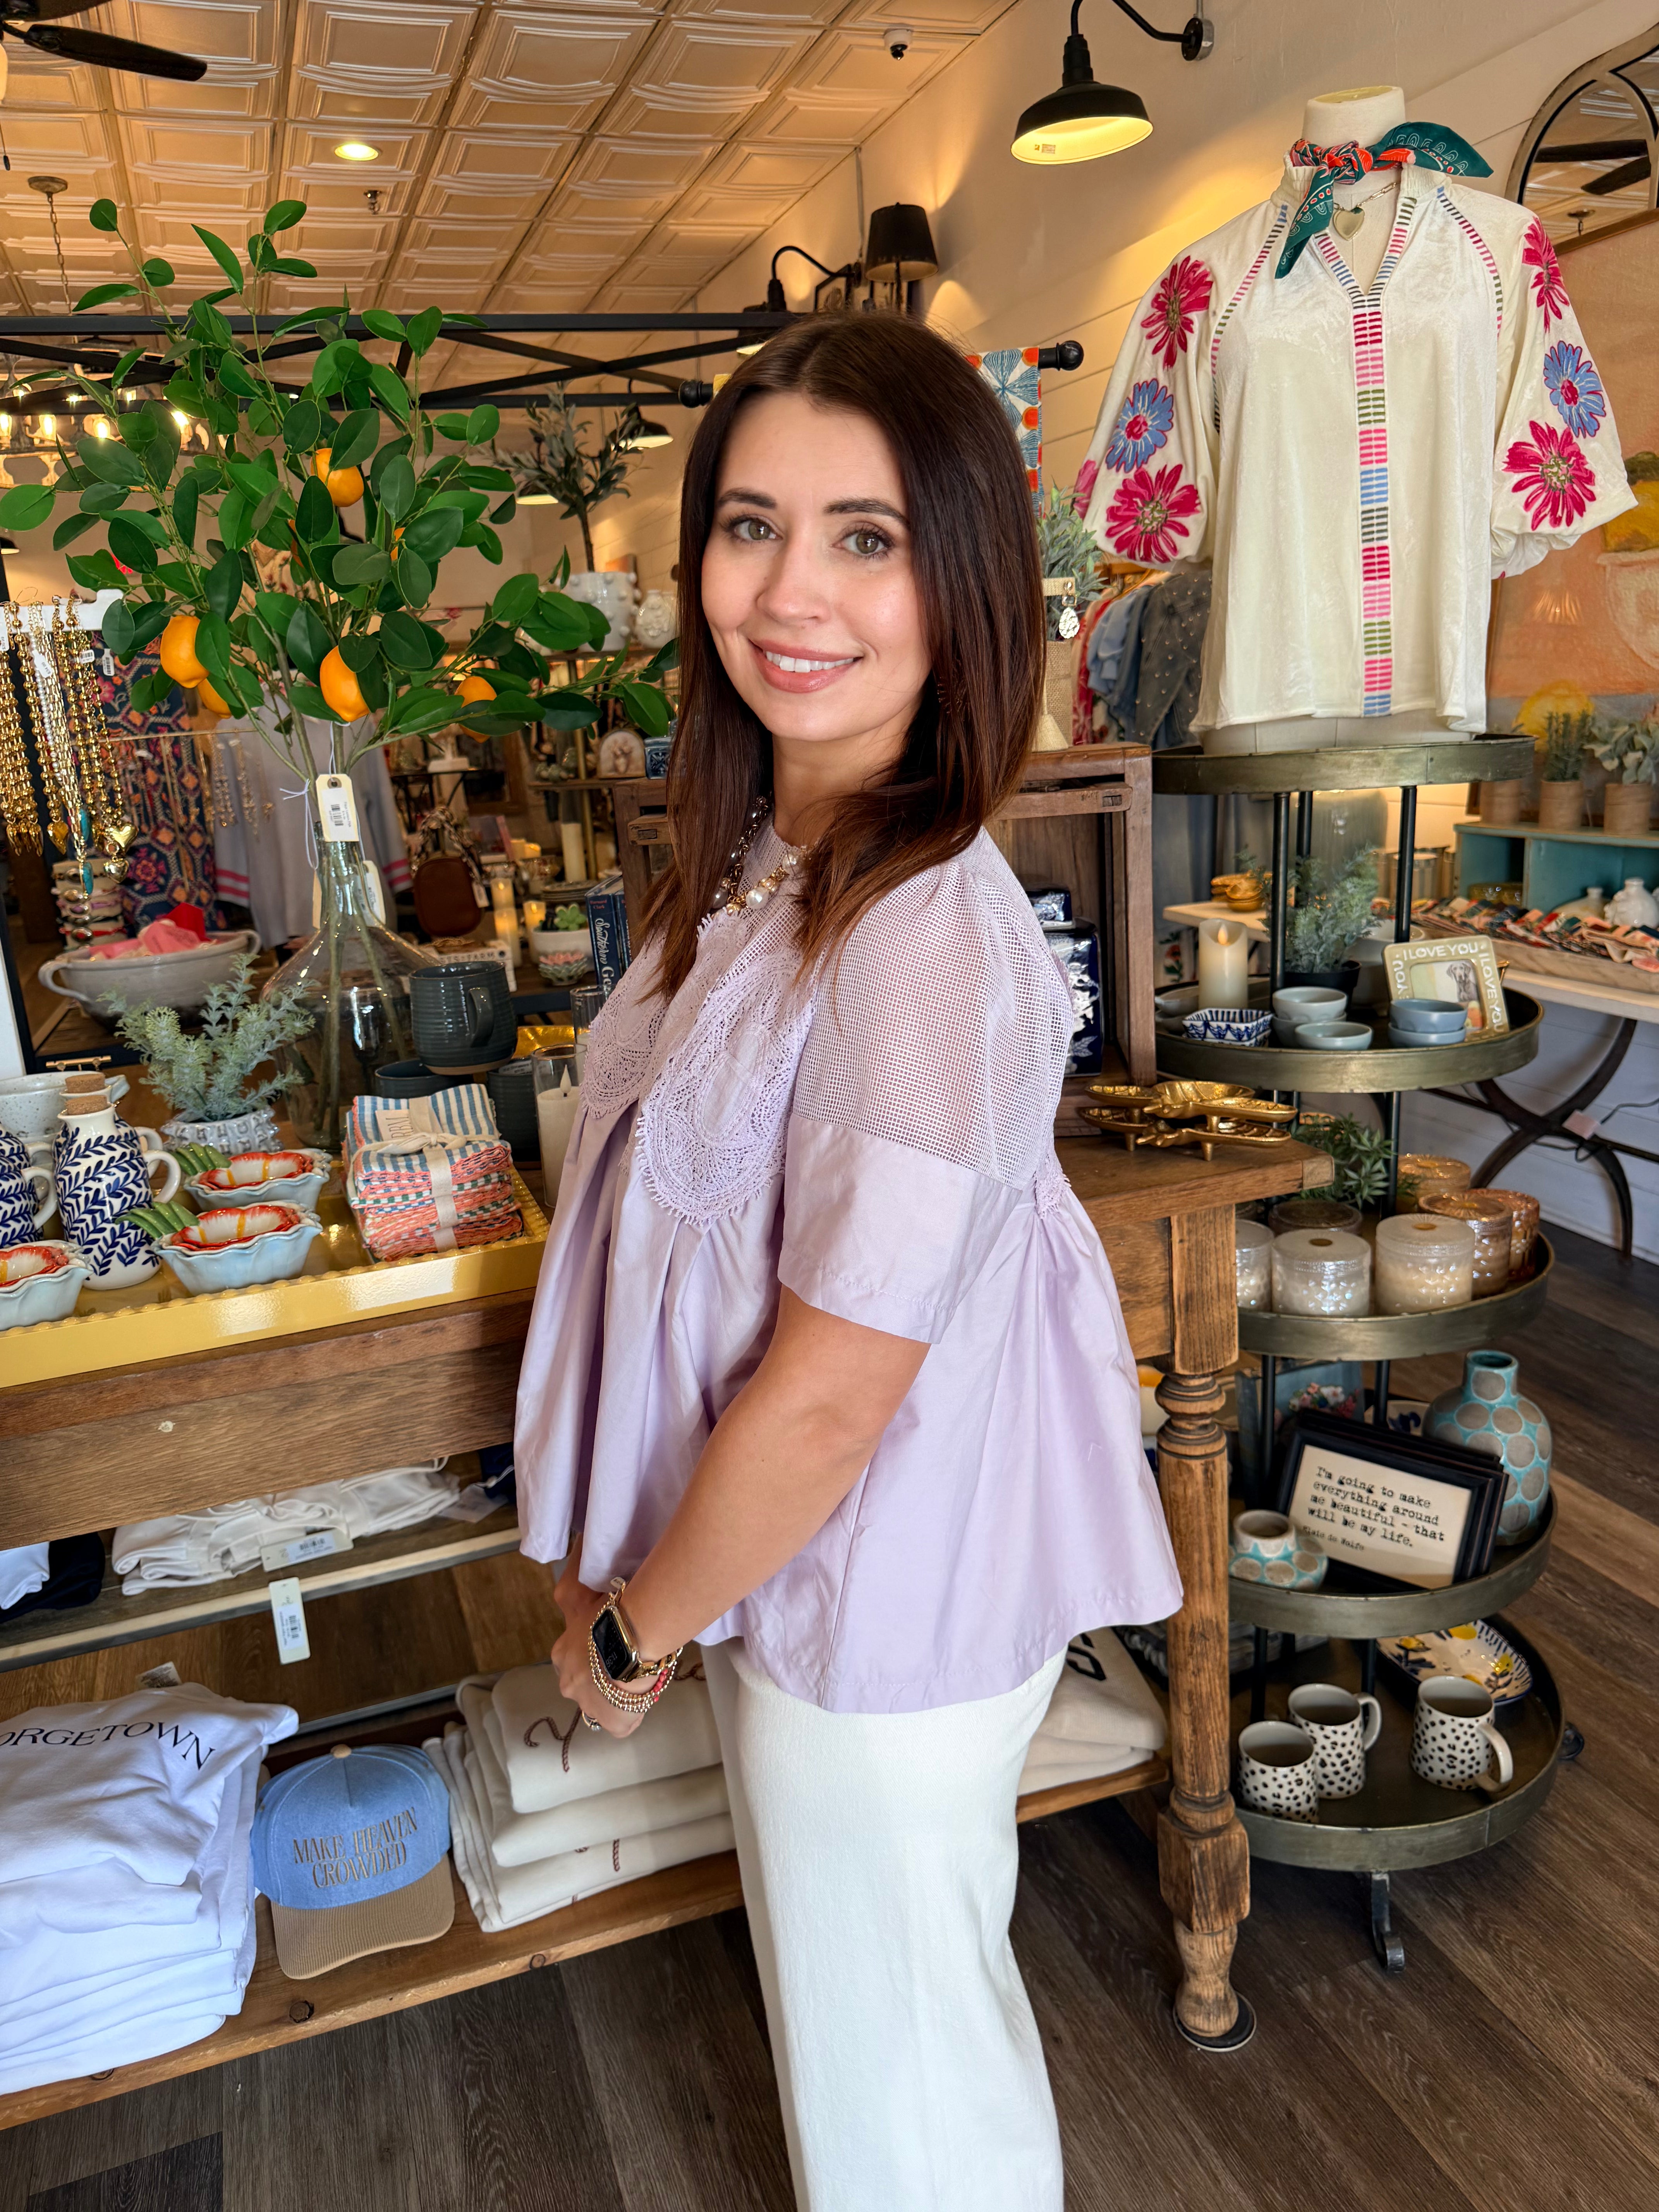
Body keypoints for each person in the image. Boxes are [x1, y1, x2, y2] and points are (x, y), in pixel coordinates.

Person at [514, 312, 1182, 2210]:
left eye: (865, 538)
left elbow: (829, 1399)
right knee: (875, 2062)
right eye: (751, 525)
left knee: (906, 2109)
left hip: (873, 1594)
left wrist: (635, 1630)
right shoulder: (762, 868)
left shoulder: (918, 938)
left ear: (963, 588)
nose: (789, 591)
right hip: (790, 1580)